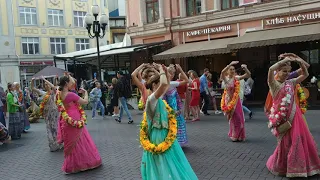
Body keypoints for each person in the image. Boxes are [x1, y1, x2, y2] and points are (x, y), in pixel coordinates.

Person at [140, 63, 198, 180]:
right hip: (158, 135)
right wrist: (161, 70)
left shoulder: (158, 98)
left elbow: (165, 85)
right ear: (154, 85)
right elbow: (165, 84)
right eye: (159, 84)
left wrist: (165, 72)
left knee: (171, 161)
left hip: (166, 133)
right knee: (161, 162)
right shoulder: (151, 100)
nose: (162, 86)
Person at [266, 55, 320, 177]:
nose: (286, 74)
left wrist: (299, 61)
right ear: (278, 71)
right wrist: (284, 61)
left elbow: (305, 74)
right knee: (284, 143)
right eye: (284, 71)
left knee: (297, 141)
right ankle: (283, 167)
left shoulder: (290, 82)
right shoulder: (274, 85)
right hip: (282, 119)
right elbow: (270, 70)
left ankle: (297, 168)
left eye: (288, 71)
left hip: (295, 117)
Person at [56, 74, 102, 174]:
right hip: (75, 117)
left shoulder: (58, 93)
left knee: (72, 142)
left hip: (66, 119)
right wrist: (85, 92)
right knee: (80, 140)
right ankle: (84, 163)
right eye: (70, 82)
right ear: (67, 83)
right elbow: (85, 102)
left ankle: (72, 165)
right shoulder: (71, 95)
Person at [220, 61, 251, 142]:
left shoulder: (236, 78)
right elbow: (222, 72)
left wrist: (246, 68)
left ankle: (239, 135)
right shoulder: (226, 78)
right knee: (232, 119)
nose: (232, 71)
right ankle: (234, 135)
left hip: (236, 100)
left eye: (233, 69)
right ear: (227, 71)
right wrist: (230, 64)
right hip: (228, 100)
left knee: (239, 118)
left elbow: (248, 75)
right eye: (230, 69)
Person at [32, 76, 63, 152]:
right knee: (49, 128)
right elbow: (32, 88)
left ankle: (58, 143)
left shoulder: (53, 92)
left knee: (55, 127)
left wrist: (45, 79)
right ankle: (52, 145)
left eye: (47, 84)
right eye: (45, 84)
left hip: (54, 112)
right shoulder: (43, 93)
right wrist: (32, 81)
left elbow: (54, 87)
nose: (46, 85)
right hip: (47, 113)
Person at [164, 64, 189, 146]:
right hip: (173, 107)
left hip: (167, 107)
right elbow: (186, 80)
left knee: (170, 125)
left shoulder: (162, 84)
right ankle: (176, 143)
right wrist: (181, 70)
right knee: (176, 125)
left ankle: (170, 142)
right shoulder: (172, 84)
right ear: (171, 75)